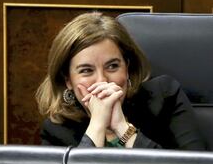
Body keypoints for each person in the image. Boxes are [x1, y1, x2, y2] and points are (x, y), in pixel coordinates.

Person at [36, 12, 206, 150]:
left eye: (112, 66)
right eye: (86, 71)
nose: (102, 81)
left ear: (127, 67)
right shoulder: (55, 130)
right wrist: (97, 124)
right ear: (68, 80)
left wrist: (122, 127)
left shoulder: (164, 96)